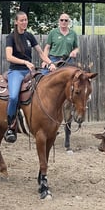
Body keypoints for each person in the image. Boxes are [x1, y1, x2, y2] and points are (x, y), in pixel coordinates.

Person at [4, 11, 56, 143]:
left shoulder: (29, 36)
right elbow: (9, 57)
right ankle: (11, 125)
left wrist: (50, 63)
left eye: (26, 20)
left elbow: (40, 52)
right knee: (14, 96)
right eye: (21, 20)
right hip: (16, 71)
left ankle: (46, 122)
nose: (24, 22)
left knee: (45, 89)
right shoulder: (10, 37)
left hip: (30, 72)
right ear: (16, 22)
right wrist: (25, 62)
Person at [43, 13, 80, 152]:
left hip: (68, 62)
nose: (64, 22)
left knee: (78, 85)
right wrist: (46, 59)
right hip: (54, 61)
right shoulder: (53, 33)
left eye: (66, 20)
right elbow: (47, 47)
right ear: (59, 21)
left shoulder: (73, 34)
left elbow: (77, 47)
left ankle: (80, 105)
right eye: (61, 20)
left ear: (68, 22)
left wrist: (75, 52)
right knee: (43, 80)